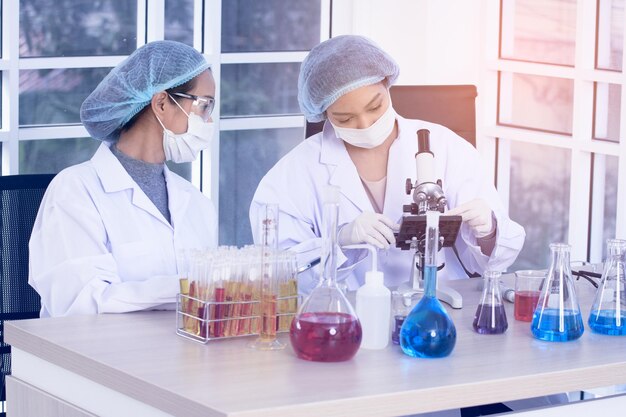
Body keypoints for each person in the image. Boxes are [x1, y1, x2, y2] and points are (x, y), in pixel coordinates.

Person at [250, 35, 526, 294]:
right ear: (322, 113)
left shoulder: (447, 147)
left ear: (386, 83)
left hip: (442, 304)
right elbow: (279, 274)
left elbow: (495, 262)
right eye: (345, 118)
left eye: (374, 107)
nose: (365, 124)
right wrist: (338, 241)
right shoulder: (293, 174)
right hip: (348, 314)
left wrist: (489, 230)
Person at [29, 40, 217, 317]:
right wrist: (186, 290)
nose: (209, 121)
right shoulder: (75, 191)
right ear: (162, 103)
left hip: (182, 357)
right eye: (204, 106)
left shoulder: (196, 203)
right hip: (94, 356)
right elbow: (80, 304)